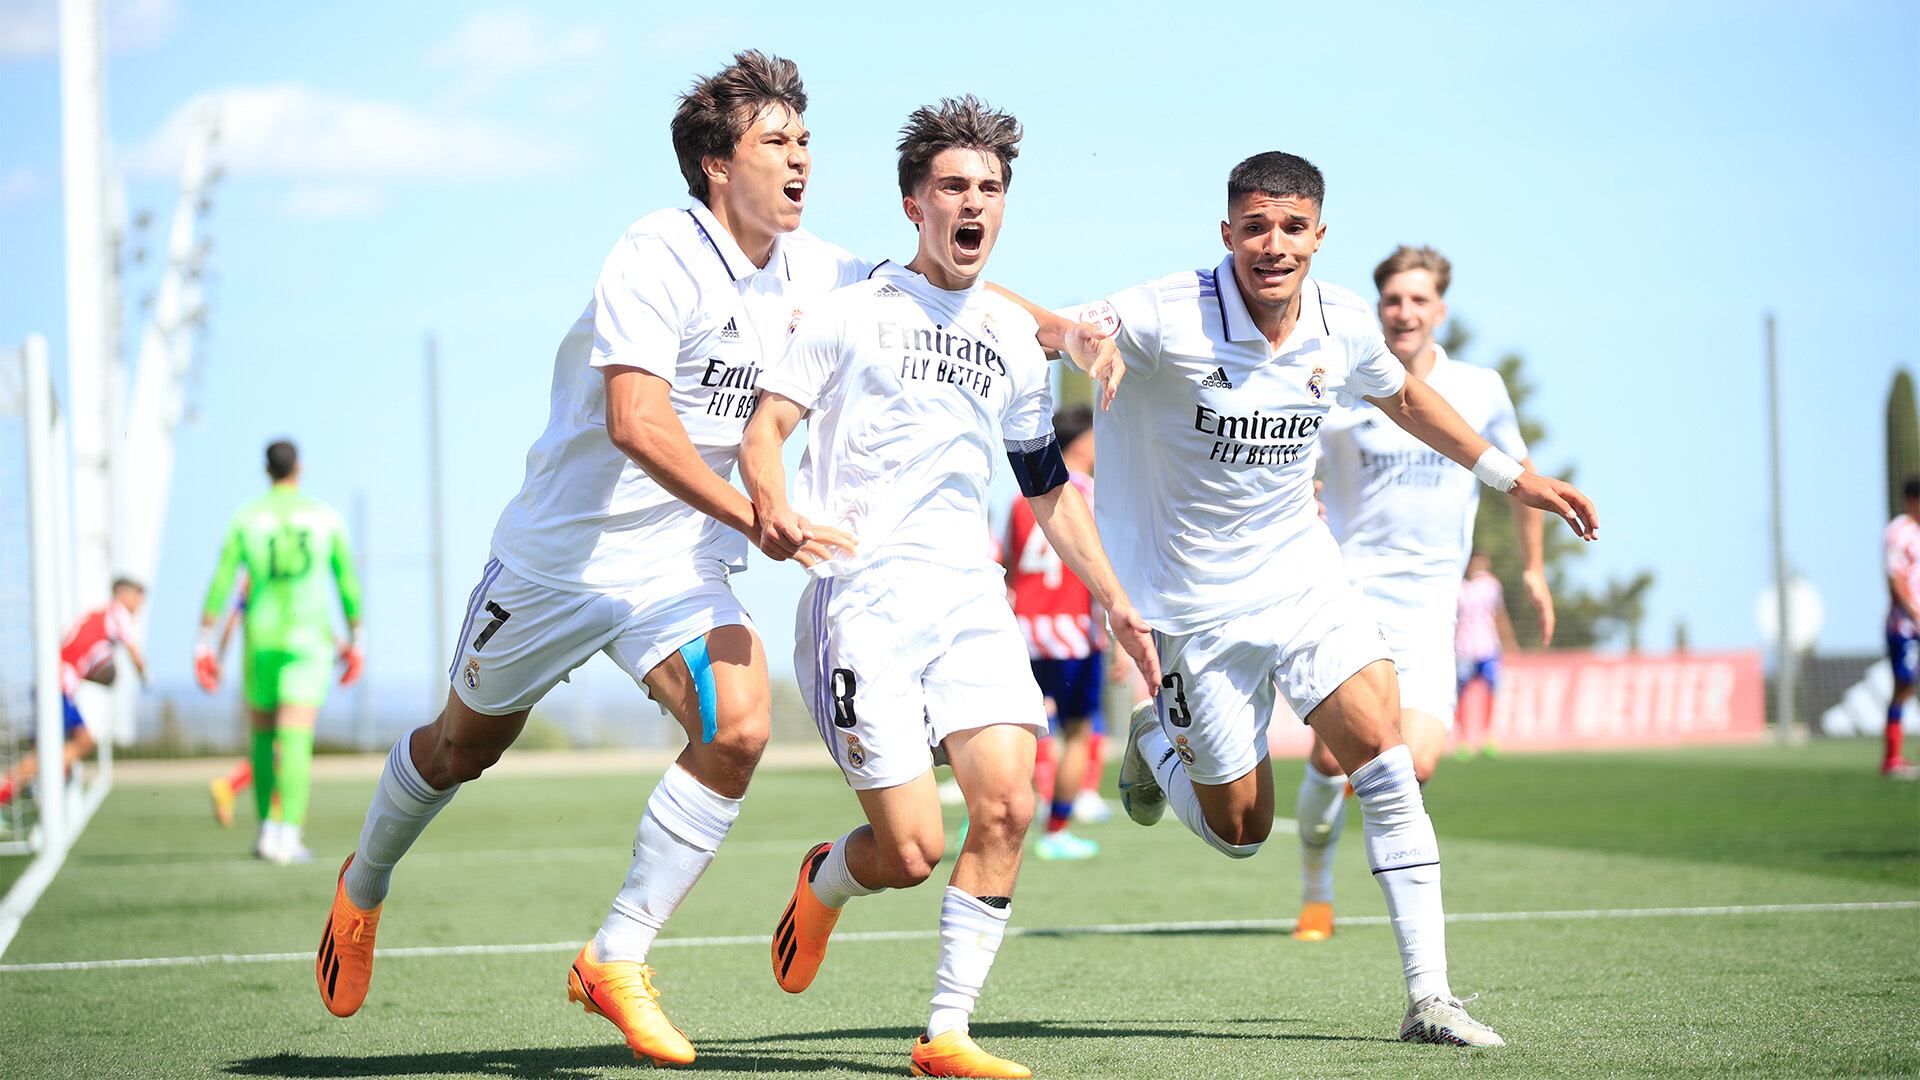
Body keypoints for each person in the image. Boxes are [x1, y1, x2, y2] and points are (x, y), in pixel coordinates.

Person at [311, 53, 1115, 1068]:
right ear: (712, 163)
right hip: (563, 559)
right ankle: (366, 882)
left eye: (806, 142)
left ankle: (616, 955)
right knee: (459, 750)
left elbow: (940, 280)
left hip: (677, 569)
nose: (799, 160)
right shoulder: (657, 254)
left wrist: (1057, 328)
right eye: (776, 141)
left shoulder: (817, 269)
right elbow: (636, 421)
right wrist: (756, 511)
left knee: (737, 728)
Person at [1078, 151, 1596, 1048]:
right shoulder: (1169, 310)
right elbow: (1065, 325)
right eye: (1254, 227)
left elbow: (1407, 404)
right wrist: (1083, 341)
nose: (1271, 246)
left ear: (1319, 234)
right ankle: (1156, 739)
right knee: (1241, 830)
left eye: (1291, 228)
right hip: (1195, 610)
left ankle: (1430, 998)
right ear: (1228, 231)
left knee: (1386, 756)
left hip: (1305, 579)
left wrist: (1515, 479)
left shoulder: (1343, 324)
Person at [740, 96, 1158, 1079]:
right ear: (913, 205)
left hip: (971, 601)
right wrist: (772, 506)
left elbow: (1044, 483)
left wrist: (1113, 597)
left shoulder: (1015, 337)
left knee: (1012, 803)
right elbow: (766, 428)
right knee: (913, 849)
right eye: (954, 188)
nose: (974, 204)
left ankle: (947, 1032)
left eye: (990, 189)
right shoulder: (850, 313)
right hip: (863, 605)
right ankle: (828, 877)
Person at [1294, 245, 1551, 943]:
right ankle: (1316, 891)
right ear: (1380, 310)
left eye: (1417, 300)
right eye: (1393, 301)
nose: (1403, 312)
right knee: (1329, 758)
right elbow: (1290, 460)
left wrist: (1533, 568)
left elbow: (1519, 474)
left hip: (1432, 603)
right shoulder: (1345, 383)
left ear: (1440, 309)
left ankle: (1371, 880)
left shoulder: (1479, 389)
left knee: (1422, 759)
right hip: (1351, 594)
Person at [196, 440, 363, 865]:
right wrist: (356, 639)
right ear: (299, 468)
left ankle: (267, 832)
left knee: (263, 737)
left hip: (262, 639)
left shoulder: (246, 517)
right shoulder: (326, 517)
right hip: (307, 643)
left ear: (265, 470)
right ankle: (288, 834)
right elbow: (346, 582)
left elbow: (222, 580)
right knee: (296, 739)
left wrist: (204, 641)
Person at [1002, 404, 1104, 860]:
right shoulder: (1092, 497)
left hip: (1022, 633)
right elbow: (1103, 572)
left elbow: (1005, 571)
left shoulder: (1020, 500)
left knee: (1012, 731)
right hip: (1073, 636)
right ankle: (1056, 830)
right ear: (1082, 443)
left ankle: (993, 813)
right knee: (1077, 733)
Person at [0, 579, 148, 815]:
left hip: (54, 685)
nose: (140, 604)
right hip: (57, 689)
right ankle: (44, 784)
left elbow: (77, 654)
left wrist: (98, 675)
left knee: (63, 747)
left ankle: (40, 785)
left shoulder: (95, 618)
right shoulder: (117, 614)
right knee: (66, 749)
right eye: (139, 597)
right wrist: (144, 676)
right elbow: (134, 652)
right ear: (123, 594)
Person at [1453, 551, 1518, 755]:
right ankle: (1463, 739)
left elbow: (1499, 615)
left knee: (1491, 691)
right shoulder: (1457, 587)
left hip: (1488, 647)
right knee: (1461, 694)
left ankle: (1488, 736)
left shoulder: (1491, 585)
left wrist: (1509, 641)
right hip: (1463, 648)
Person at [1881, 478, 1920, 779]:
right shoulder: (1899, 531)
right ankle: (1892, 758)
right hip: (1905, 626)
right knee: (1904, 686)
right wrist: (1914, 614)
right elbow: (1896, 579)